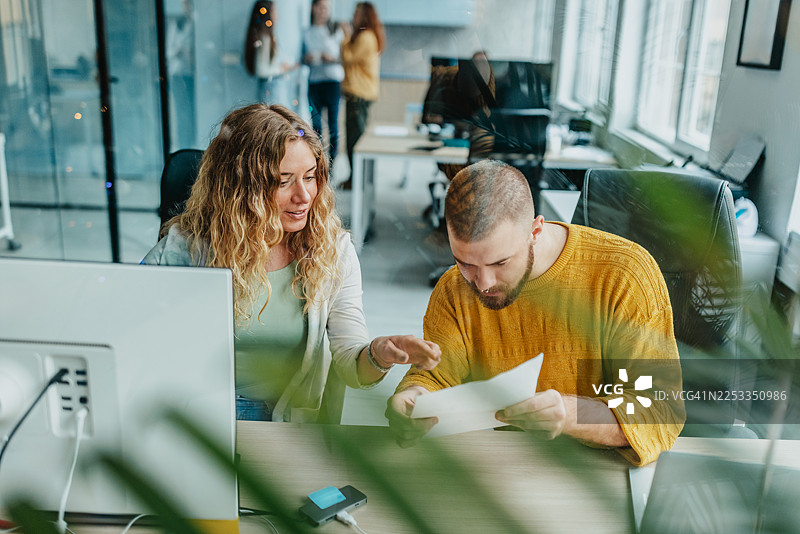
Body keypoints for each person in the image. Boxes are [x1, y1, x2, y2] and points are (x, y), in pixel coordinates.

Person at [143, 104, 440, 422]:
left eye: (310, 178)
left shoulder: (332, 250)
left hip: (285, 420)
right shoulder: (187, 249)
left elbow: (352, 364)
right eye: (283, 181)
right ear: (241, 188)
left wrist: (378, 354)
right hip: (197, 418)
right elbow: (129, 333)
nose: (304, 196)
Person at [386, 160, 685, 466]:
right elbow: (438, 374)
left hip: (602, 469)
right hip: (503, 465)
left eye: (500, 263)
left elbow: (659, 411)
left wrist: (570, 415)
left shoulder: (626, 275)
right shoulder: (454, 288)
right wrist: (414, 396)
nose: (483, 283)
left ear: (535, 230)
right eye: (465, 263)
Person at [339, 1, 384, 189]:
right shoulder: (367, 36)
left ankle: (357, 180)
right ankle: (358, 178)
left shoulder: (365, 37)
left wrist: (345, 35)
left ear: (365, 16)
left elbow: (348, 57)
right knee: (355, 138)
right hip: (358, 95)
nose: (353, 17)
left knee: (355, 141)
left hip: (359, 95)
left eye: (357, 14)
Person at [302, 0, 344, 168]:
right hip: (314, 83)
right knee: (316, 126)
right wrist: (307, 59)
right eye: (321, 7)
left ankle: (331, 168)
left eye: (327, 8)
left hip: (333, 82)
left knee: (333, 125)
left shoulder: (336, 30)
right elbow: (301, 58)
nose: (324, 11)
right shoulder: (307, 32)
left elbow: (345, 58)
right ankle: (318, 165)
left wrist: (331, 58)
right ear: (313, 8)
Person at [244, 1, 291, 106]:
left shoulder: (268, 36)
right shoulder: (264, 38)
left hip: (271, 86)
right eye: (274, 11)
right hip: (271, 86)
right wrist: (281, 69)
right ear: (268, 15)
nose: (277, 15)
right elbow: (261, 70)